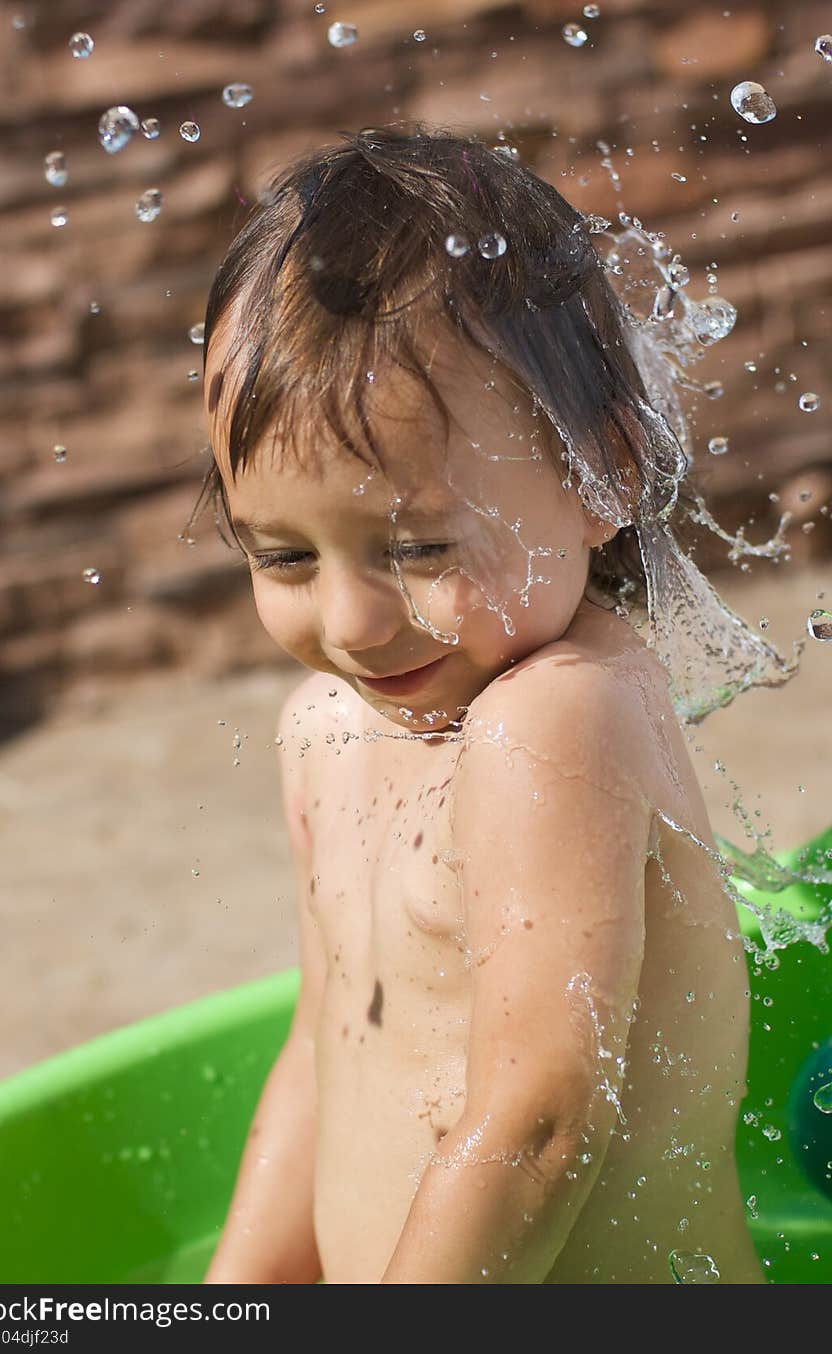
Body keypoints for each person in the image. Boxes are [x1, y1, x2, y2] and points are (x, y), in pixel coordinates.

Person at [196, 123, 768, 1283]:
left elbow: (543, 1121)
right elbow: (327, 1050)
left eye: (414, 546)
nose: (351, 623)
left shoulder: (559, 720)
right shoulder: (325, 729)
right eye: (285, 559)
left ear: (601, 471)